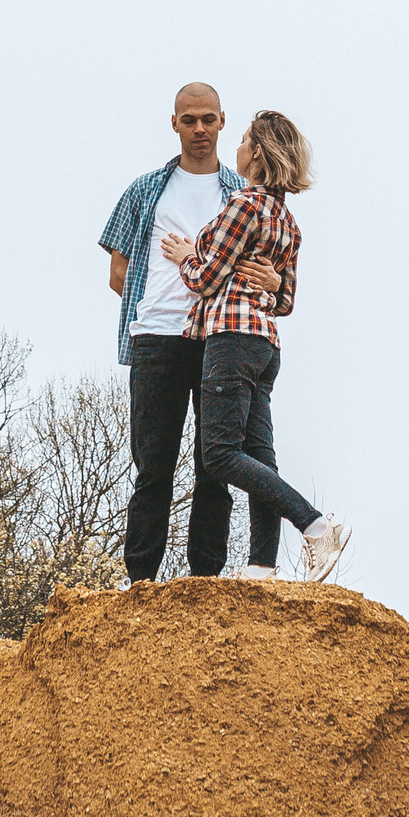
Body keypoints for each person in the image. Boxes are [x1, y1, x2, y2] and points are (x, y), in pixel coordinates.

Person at [99, 83, 290, 583]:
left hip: (219, 339)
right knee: (153, 467)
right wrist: (161, 302)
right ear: (174, 123)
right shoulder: (145, 189)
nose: (200, 129)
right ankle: (140, 582)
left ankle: (205, 581)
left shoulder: (242, 193)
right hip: (157, 339)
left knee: (216, 468)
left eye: (208, 119)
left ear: (223, 121)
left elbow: (273, 268)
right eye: (190, 120)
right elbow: (118, 269)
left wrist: (266, 283)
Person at [160, 110, 349, 584]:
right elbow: (284, 300)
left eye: (244, 139)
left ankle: (315, 524)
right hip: (265, 344)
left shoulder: (244, 207)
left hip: (231, 336)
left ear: (258, 153)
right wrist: (267, 279)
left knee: (219, 454)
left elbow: (205, 278)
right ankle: (262, 565)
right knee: (260, 456)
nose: (238, 147)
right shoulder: (288, 221)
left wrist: (187, 256)